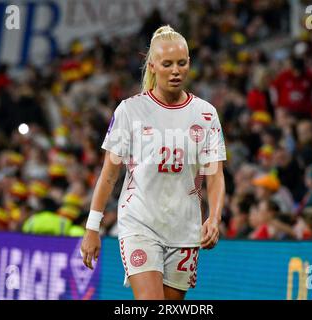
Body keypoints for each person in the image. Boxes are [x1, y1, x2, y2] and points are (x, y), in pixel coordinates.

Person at [80, 25, 226, 300]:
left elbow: (215, 174)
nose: (175, 70)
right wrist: (92, 227)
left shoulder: (206, 114)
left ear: (189, 64)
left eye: (181, 63)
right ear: (152, 66)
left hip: (185, 228)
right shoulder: (130, 110)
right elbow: (109, 175)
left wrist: (214, 218)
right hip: (140, 223)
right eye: (167, 64)